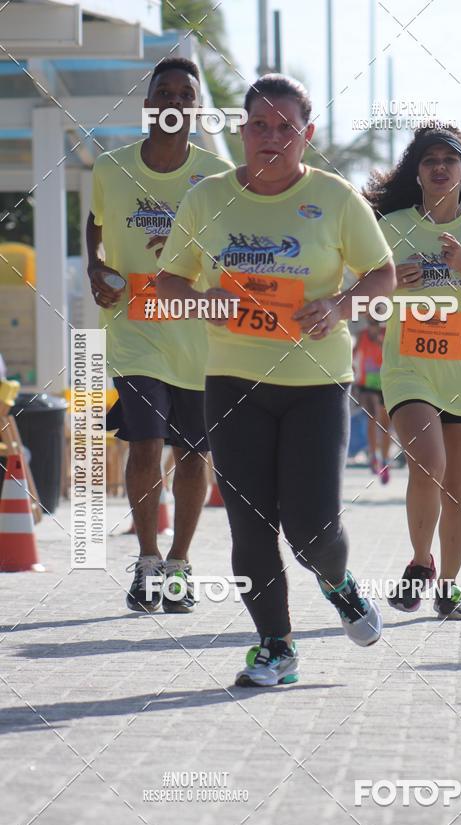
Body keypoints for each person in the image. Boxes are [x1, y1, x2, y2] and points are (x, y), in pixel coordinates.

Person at [157, 73, 396, 686]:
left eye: (285, 128)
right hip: (232, 381)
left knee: (312, 531)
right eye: (259, 126)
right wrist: (206, 302)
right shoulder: (207, 199)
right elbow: (170, 281)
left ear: (306, 134)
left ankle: (339, 584)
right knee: (249, 527)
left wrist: (339, 306)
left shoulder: (337, 198)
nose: (271, 138)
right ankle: (276, 646)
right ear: (242, 131)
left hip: (316, 383)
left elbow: (382, 275)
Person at [87, 57, 233, 614]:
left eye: (184, 96)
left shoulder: (216, 179)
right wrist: (94, 267)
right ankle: (147, 562)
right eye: (163, 93)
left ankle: (180, 563)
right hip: (135, 332)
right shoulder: (110, 168)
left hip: (199, 341)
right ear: (148, 105)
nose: (173, 102)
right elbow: (96, 226)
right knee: (144, 442)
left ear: (197, 111)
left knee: (193, 456)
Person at [365, 126, 461, 620]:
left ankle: (448, 585)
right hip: (410, 369)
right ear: (417, 171)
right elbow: (365, 304)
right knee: (427, 464)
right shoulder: (390, 228)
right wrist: (393, 282)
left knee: (460, 488)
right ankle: (420, 562)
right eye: (429, 160)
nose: (439, 167)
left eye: (449, 160)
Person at [353, 317, 392, 483]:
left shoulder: (386, 334)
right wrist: (353, 373)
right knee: (372, 415)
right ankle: (373, 456)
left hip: (386, 384)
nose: (374, 327)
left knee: (385, 424)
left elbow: (393, 352)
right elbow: (353, 356)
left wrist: (381, 342)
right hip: (367, 385)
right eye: (371, 323)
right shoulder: (362, 335)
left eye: (377, 323)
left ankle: (384, 460)